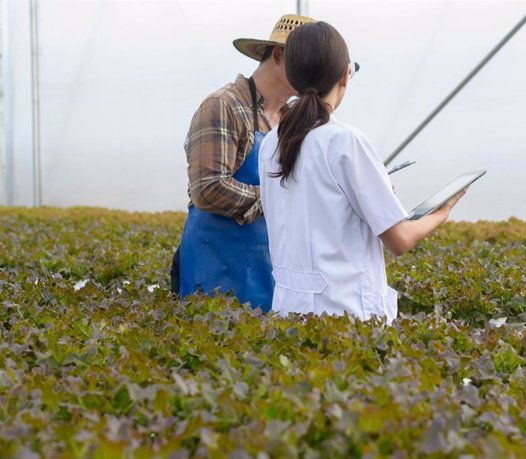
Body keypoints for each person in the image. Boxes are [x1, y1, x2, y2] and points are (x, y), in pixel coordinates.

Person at [258, 21, 466, 324]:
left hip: (289, 315)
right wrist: (442, 211)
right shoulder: (346, 141)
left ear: (291, 75)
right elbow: (400, 240)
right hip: (347, 320)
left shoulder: (272, 142)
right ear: (345, 75)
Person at [171, 14, 316, 311]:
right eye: (307, 64)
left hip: (269, 265)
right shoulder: (224, 105)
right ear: (277, 55)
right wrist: (280, 198)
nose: (314, 76)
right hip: (215, 266)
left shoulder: (290, 119)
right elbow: (209, 189)